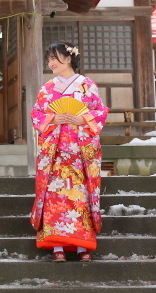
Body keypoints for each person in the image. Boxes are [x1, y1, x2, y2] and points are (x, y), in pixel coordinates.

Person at [29, 41, 109, 262]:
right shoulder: (47, 88)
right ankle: (57, 246)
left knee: (80, 197)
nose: (51, 63)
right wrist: (53, 118)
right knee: (55, 197)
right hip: (55, 154)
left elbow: (99, 113)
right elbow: (37, 115)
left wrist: (80, 118)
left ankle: (83, 246)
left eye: (54, 58)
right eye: (49, 59)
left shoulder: (87, 86)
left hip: (80, 153)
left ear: (69, 58)